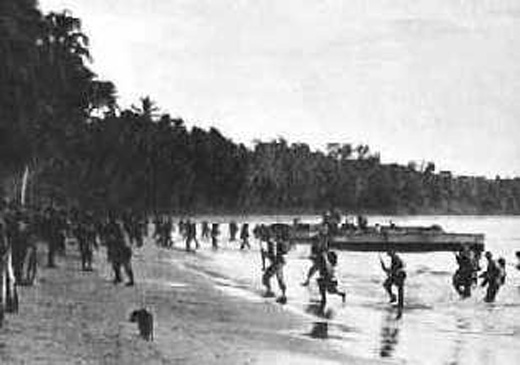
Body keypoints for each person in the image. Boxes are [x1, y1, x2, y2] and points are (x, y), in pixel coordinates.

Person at [104, 213, 134, 286]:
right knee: (116, 263)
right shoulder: (112, 226)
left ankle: (131, 280)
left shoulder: (118, 226)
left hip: (123, 247)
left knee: (126, 264)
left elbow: (120, 237)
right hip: (118, 247)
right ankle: (118, 277)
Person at [262, 230, 289, 304]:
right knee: (279, 278)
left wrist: (265, 254)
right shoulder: (277, 242)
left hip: (277, 263)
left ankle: (270, 292)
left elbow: (272, 255)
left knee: (266, 277)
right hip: (279, 263)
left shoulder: (273, 243)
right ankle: (282, 295)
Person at [381, 250, 406, 317]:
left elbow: (395, 268)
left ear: (393, 252)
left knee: (400, 289)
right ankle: (393, 297)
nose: (388, 254)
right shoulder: (393, 258)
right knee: (386, 284)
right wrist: (385, 269)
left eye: (389, 252)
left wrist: (387, 270)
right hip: (396, 274)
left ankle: (400, 304)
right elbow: (392, 269)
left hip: (400, 275)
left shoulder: (396, 258)